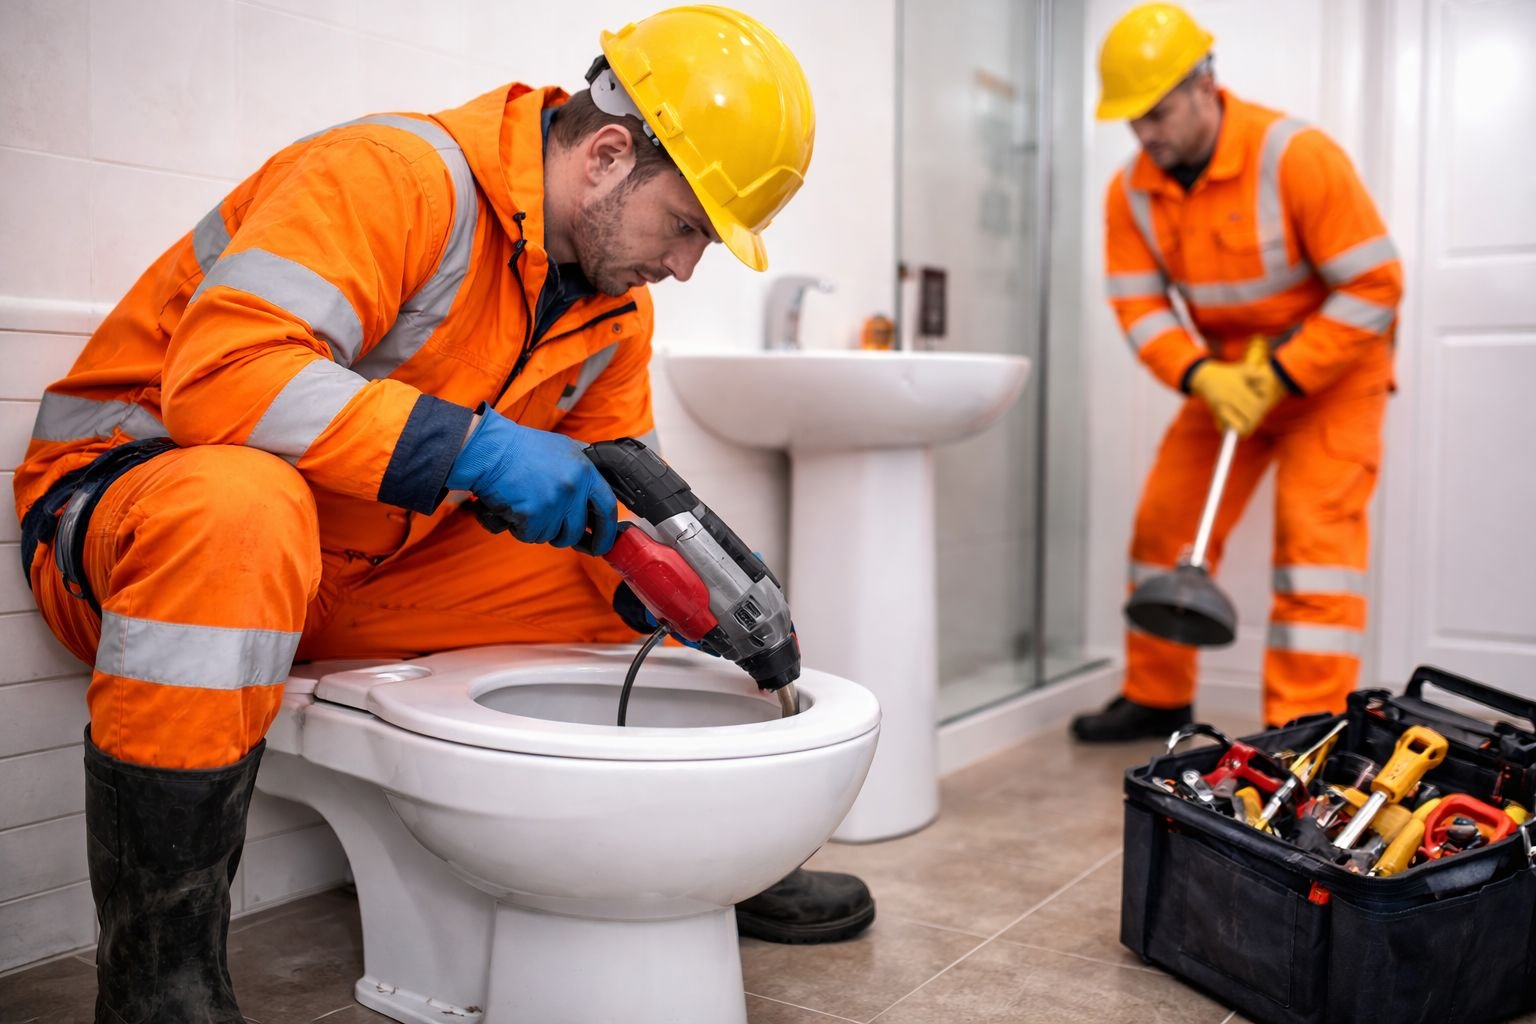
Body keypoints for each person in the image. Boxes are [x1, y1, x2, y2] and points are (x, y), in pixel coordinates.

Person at [13, 8, 872, 1020]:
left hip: (355, 560)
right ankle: (161, 983)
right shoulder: (390, 175)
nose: (685, 267)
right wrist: (475, 450)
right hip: (141, 525)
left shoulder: (614, 308)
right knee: (240, 509)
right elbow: (224, 380)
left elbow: (615, 489)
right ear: (606, 154)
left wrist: (674, 572)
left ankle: (706, 864)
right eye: (686, 226)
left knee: (616, 576)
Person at [1071, 3, 1403, 742]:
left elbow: (1375, 285)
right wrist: (1202, 378)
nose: (1145, 135)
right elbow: (1140, 308)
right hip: (1225, 382)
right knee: (1164, 529)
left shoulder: (1294, 154)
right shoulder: (1131, 193)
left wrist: (1284, 371)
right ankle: (1157, 695)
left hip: (1332, 380)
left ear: (1205, 84)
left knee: (1315, 554)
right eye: (1133, 121)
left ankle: (1301, 730)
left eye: (1156, 113)